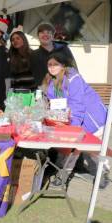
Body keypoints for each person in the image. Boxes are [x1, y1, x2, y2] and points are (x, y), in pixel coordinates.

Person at [41, 52, 109, 188]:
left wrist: (74, 129)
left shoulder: (73, 78)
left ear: (63, 65)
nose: (52, 67)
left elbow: (77, 104)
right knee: (71, 149)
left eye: (56, 64)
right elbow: (54, 102)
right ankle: (63, 174)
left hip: (91, 119)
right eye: (50, 64)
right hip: (70, 119)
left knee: (93, 150)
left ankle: (103, 172)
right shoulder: (50, 79)